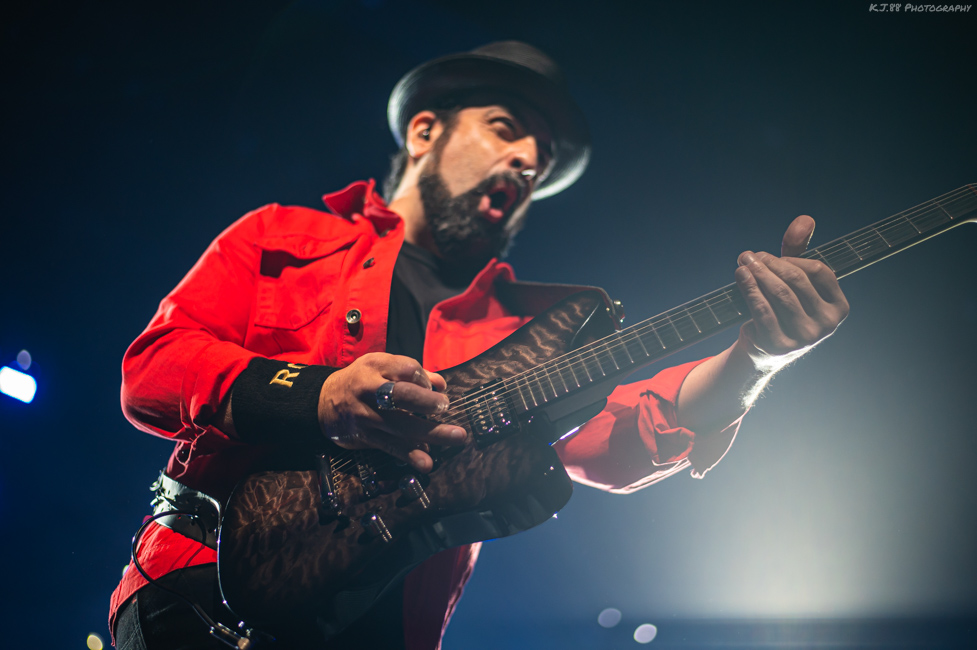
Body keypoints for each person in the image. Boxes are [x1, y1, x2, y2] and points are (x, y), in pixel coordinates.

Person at [109, 42, 849, 649]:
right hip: (201, 601)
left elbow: (616, 441)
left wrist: (755, 359)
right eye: (503, 126)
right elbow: (153, 370)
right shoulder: (281, 236)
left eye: (542, 155)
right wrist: (321, 396)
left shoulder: (528, 331)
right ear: (424, 131)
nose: (528, 159)